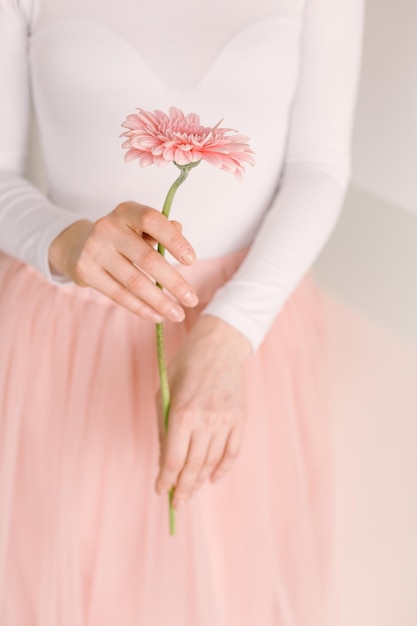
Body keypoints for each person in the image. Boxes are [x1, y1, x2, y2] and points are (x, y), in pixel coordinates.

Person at [0, 0, 363, 624]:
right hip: (65, 340)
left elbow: (318, 167)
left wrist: (232, 333)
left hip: (252, 331)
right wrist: (64, 241)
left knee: (232, 584)